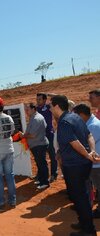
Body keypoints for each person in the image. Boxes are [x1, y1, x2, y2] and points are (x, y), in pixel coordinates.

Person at [50, 95, 97, 236]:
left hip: (74, 166)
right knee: (83, 195)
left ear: (57, 106)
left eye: (51, 106)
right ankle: (83, 222)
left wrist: (87, 154)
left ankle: (88, 230)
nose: (50, 109)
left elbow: (74, 143)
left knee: (79, 197)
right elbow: (89, 136)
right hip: (83, 165)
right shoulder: (75, 117)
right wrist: (92, 151)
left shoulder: (64, 122)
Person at [73, 103, 100, 219]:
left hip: (96, 163)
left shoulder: (92, 126)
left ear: (82, 115)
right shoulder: (90, 123)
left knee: (98, 186)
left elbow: (85, 145)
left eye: (76, 116)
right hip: (93, 162)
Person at [22, 103, 50, 189]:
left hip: (39, 144)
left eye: (27, 109)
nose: (26, 111)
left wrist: (23, 135)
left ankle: (45, 182)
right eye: (25, 110)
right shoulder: (34, 117)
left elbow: (33, 135)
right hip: (37, 144)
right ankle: (41, 179)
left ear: (33, 109)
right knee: (39, 163)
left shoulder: (36, 119)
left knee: (41, 163)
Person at [36, 93, 58, 182]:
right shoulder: (36, 109)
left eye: (39, 99)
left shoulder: (49, 107)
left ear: (45, 100)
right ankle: (41, 174)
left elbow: (57, 98)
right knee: (40, 157)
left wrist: (49, 94)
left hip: (49, 134)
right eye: (37, 99)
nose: (37, 101)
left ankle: (53, 174)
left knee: (53, 155)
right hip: (39, 136)